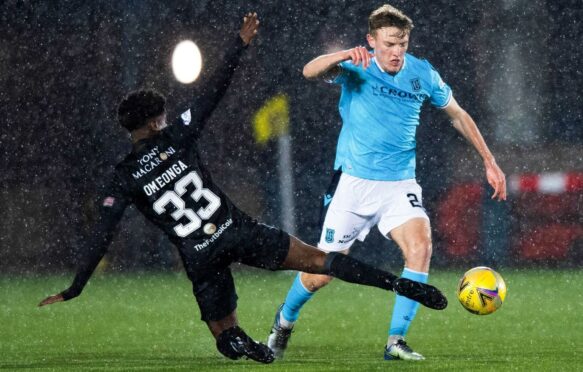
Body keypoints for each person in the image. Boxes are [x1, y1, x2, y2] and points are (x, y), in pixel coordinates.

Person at [38, 12, 447, 365]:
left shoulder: (122, 176)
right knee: (322, 261)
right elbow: (212, 91)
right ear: (157, 121)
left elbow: (102, 232)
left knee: (225, 337)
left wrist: (77, 285)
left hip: (198, 256)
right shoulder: (176, 135)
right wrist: (238, 45)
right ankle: (396, 283)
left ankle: (243, 342)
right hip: (236, 229)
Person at [267, 4, 507, 361]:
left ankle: (396, 341)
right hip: (352, 184)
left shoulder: (422, 73)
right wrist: (344, 54)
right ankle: (283, 322)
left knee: (421, 247)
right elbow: (309, 71)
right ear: (372, 41)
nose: (397, 52)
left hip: (399, 185)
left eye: (403, 44)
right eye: (390, 43)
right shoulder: (356, 66)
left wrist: (489, 160)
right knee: (321, 272)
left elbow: (456, 113)